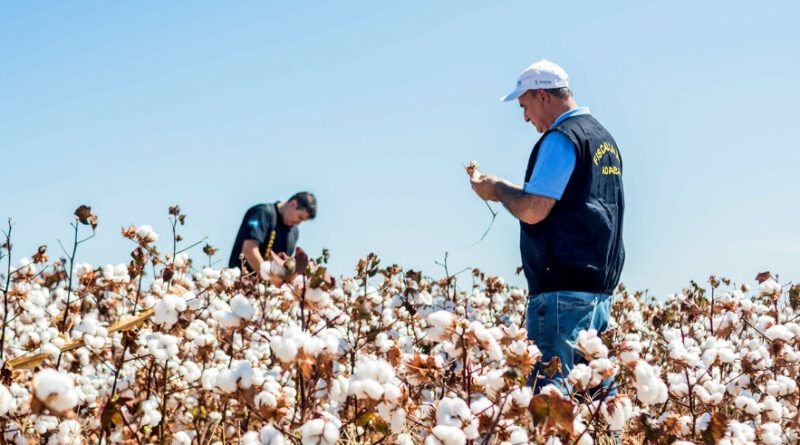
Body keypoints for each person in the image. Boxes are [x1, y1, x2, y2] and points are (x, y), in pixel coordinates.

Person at [470, 59, 625, 394]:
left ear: (542, 95)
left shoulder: (561, 138)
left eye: (525, 106)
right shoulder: (603, 140)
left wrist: (497, 189)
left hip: (560, 293)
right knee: (598, 402)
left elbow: (534, 210)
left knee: (553, 403)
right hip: (597, 291)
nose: (526, 117)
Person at [228, 192, 317, 273]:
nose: (299, 222)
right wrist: (270, 279)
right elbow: (249, 250)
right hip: (240, 284)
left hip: (269, 288)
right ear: (293, 204)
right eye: (300, 217)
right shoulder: (262, 213)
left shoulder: (294, 232)